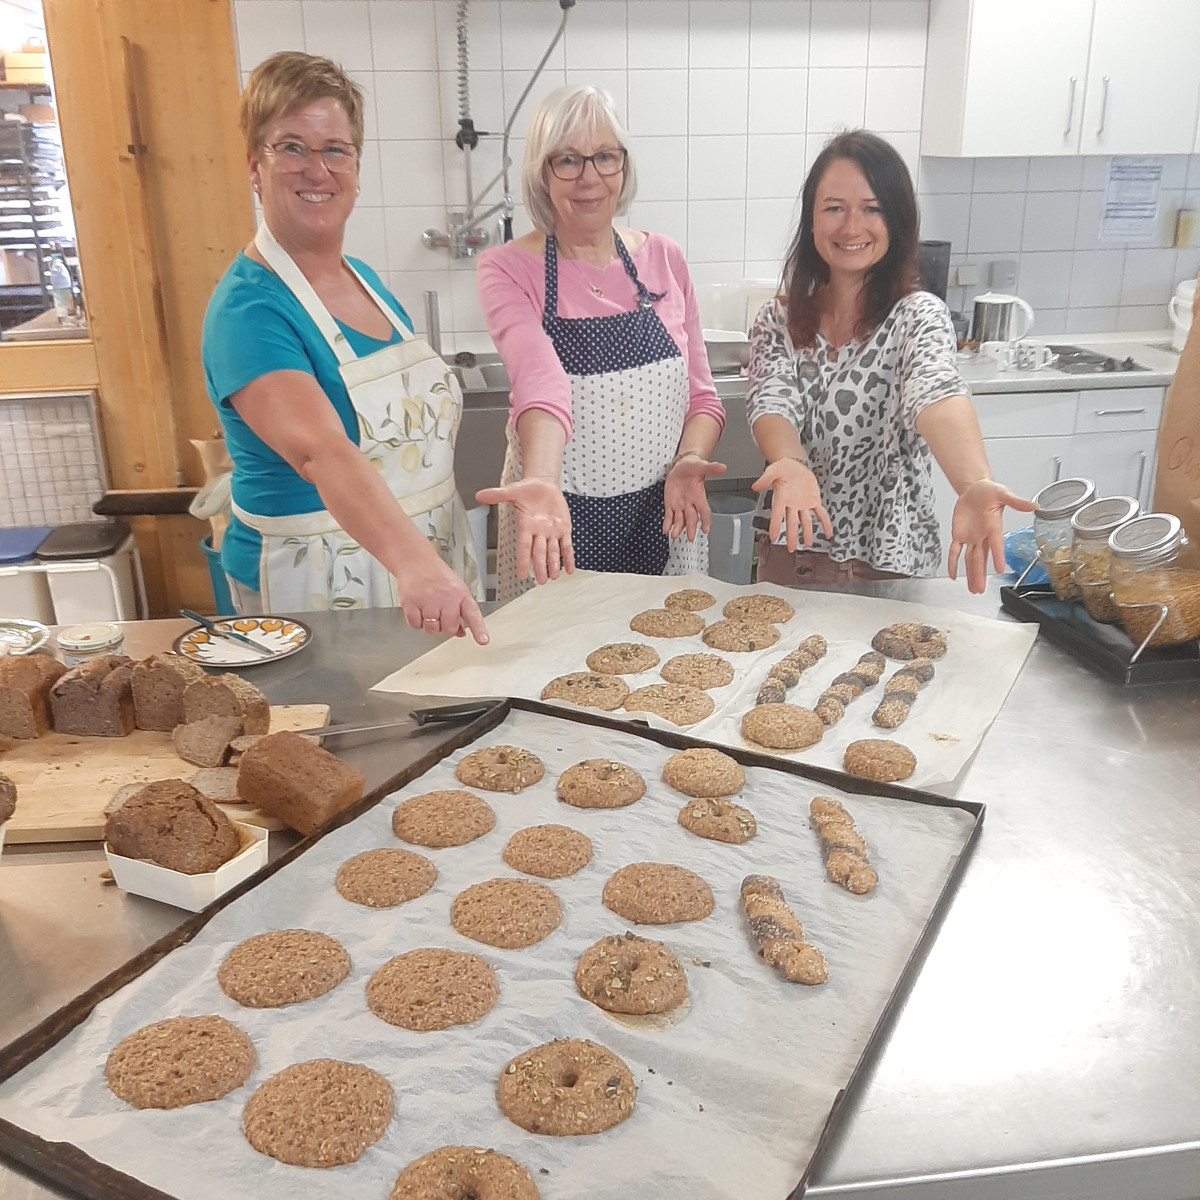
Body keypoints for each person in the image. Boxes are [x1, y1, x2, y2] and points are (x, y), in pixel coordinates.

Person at [202, 51, 487, 642]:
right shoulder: (248, 308)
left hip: (426, 563)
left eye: (335, 148)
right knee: (330, 734)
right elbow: (320, 452)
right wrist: (413, 562)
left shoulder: (366, 281)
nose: (317, 170)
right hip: (314, 581)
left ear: (356, 164)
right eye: (292, 147)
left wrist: (424, 561)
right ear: (254, 165)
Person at [746, 130, 1034, 594]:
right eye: (835, 208)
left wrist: (974, 482)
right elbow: (771, 401)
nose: (852, 227)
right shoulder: (776, 319)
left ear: (897, 221)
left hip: (887, 565)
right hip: (790, 560)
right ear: (812, 220)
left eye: (872, 208)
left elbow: (935, 393)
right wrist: (789, 463)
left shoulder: (916, 316)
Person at [475, 85, 727, 600]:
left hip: (661, 514)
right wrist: (542, 481)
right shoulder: (507, 268)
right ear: (542, 173)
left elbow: (701, 396)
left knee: (664, 663)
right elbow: (539, 382)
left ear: (623, 166)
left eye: (604, 157)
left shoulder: (666, 258)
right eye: (567, 160)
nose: (589, 177)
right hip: (556, 518)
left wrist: (689, 459)